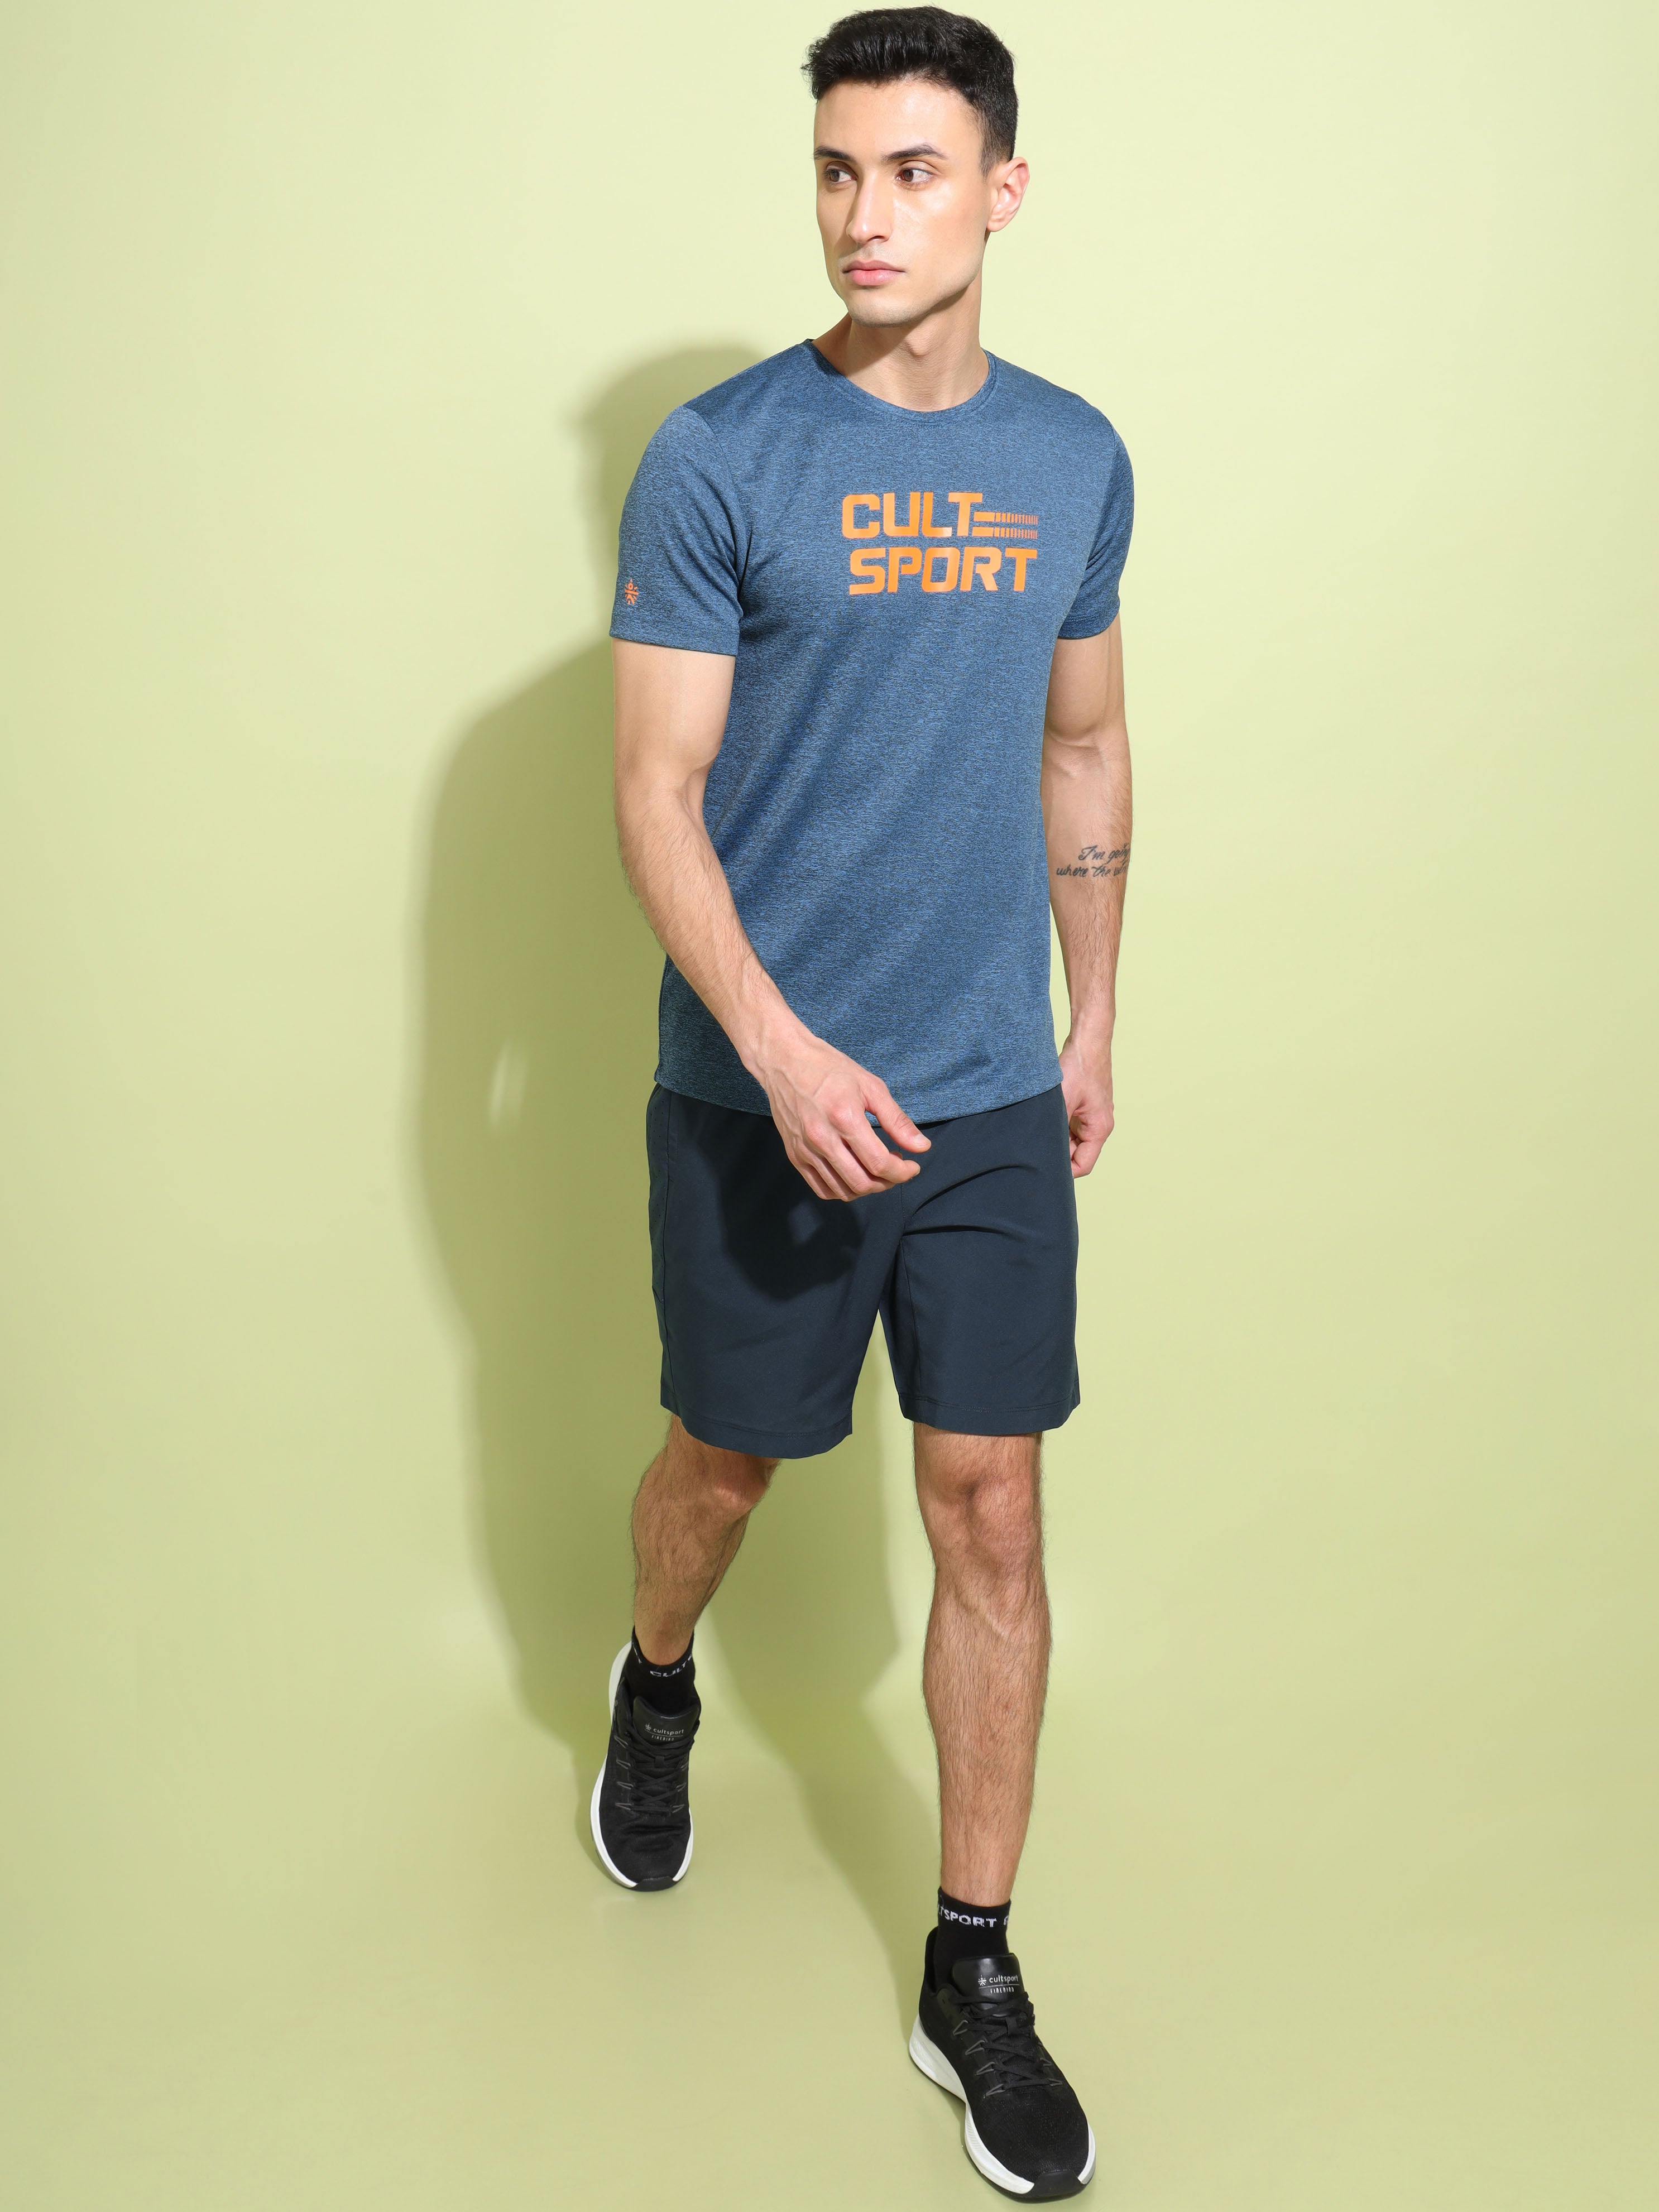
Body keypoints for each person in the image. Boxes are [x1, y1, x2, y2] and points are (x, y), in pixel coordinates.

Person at [598, 8, 1131, 2197]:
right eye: (834, 168)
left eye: (910, 169)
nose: (862, 213)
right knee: (721, 1472)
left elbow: (1080, 741)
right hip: (764, 1095)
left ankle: (970, 1969)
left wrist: (1092, 1014)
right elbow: (656, 792)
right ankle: (653, 1677)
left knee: (990, 1509)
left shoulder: (1073, 457)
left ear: (1001, 189)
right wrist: (779, 1045)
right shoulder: (716, 457)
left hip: (989, 1094)